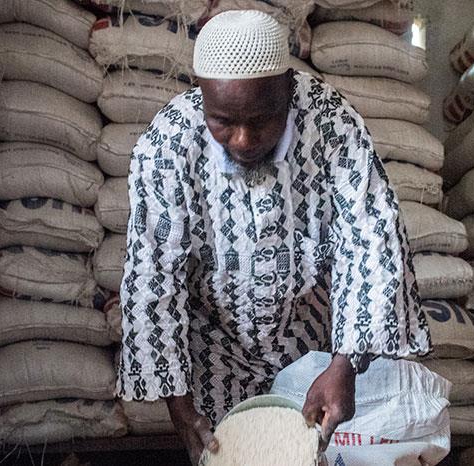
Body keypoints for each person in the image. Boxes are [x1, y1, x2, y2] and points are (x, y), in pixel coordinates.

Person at [116, 9, 431, 465]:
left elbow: (371, 242)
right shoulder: (169, 143)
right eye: (223, 121)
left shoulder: (330, 126)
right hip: (214, 351)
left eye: (263, 120)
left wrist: (343, 364)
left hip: (308, 347)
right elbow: (153, 274)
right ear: (202, 98)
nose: (243, 140)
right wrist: (181, 410)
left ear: (289, 88)